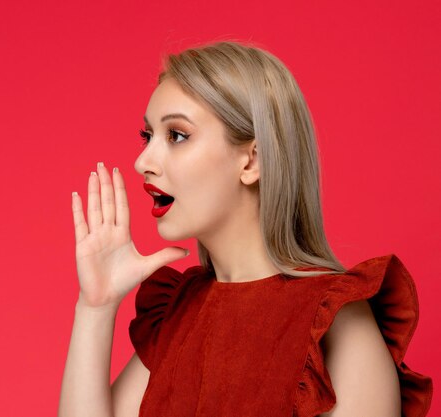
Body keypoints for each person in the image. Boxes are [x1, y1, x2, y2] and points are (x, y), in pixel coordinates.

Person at [58, 40, 433, 417]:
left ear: (252, 160)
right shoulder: (179, 309)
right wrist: (96, 306)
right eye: (147, 136)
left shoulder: (335, 321)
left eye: (176, 135)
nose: (143, 162)